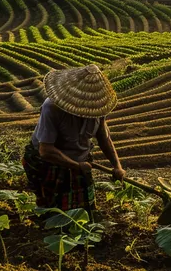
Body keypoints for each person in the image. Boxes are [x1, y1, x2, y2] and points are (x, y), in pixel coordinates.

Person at [22, 64, 125, 211]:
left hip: (79, 160)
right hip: (50, 162)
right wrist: (77, 166)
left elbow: (103, 136)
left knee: (84, 209)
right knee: (53, 210)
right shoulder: (51, 108)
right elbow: (45, 150)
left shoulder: (98, 107)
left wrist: (117, 166)